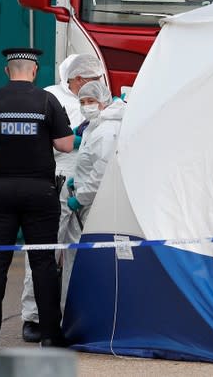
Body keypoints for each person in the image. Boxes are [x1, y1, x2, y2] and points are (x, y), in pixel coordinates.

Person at [0, 47, 75, 352]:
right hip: (39, 193)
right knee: (42, 263)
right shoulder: (47, 101)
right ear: (34, 71)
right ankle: (50, 335)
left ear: (7, 71)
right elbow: (66, 145)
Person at [20, 53, 105, 342]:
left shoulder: (95, 99)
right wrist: (70, 140)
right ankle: (32, 316)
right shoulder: (48, 98)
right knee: (44, 251)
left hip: (83, 186)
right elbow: (36, 139)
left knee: (76, 252)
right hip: (54, 183)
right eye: (92, 81)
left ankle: (68, 313)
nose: (96, 86)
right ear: (77, 79)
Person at [64, 80, 126, 295]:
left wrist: (80, 197)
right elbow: (89, 161)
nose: (86, 105)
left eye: (91, 101)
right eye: (82, 101)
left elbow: (101, 173)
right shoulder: (95, 126)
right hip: (90, 202)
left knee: (96, 262)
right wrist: (76, 179)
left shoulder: (107, 130)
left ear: (103, 101)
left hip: (96, 204)